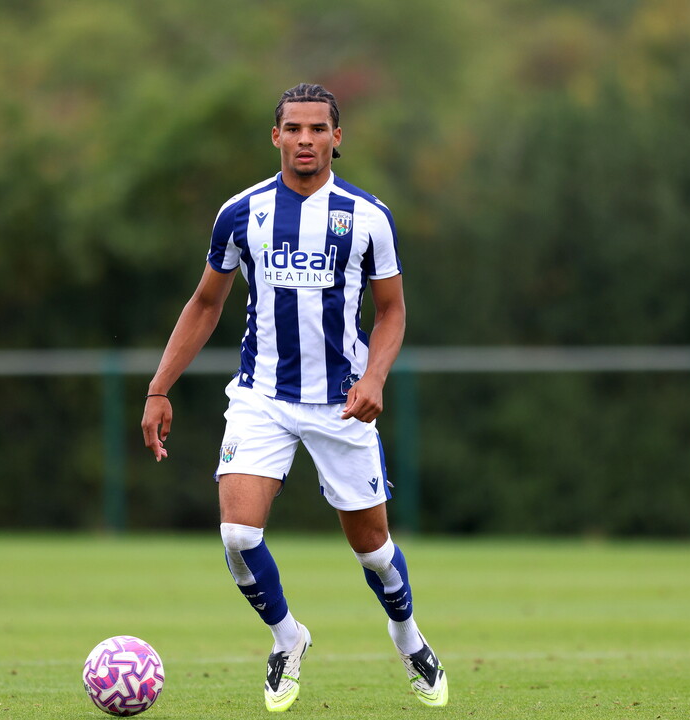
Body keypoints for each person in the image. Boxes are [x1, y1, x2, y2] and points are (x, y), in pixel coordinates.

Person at [140, 83, 448, 712]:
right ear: (275, 136)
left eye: (317, 129)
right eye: (293, 129)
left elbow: (390, 314)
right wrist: (159, 387)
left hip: (342, 403)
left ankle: (407, 636)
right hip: (262, 396)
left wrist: (375, 379)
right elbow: (206, 302)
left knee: (375, 551)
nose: (305, 140)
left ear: (338, 137)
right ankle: (288, 637)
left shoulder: (368, 216)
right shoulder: (241, 212)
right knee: (236, 535)